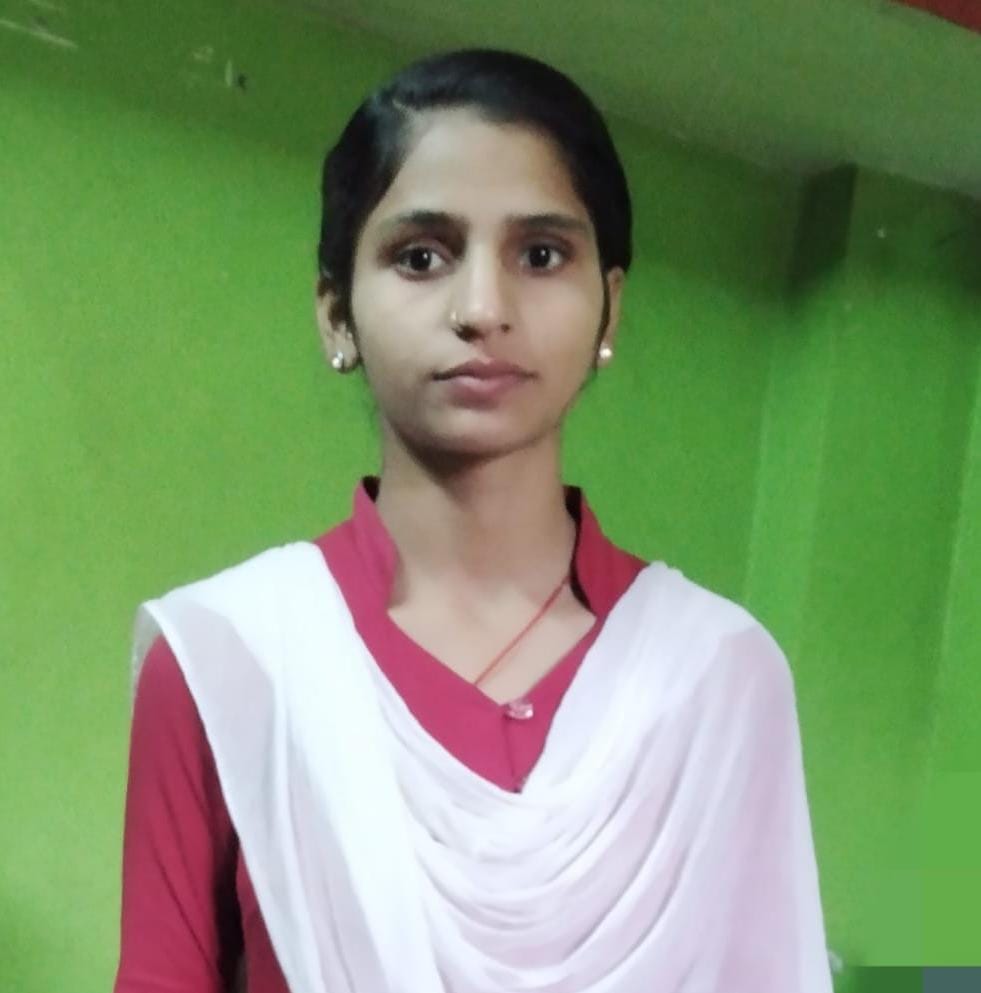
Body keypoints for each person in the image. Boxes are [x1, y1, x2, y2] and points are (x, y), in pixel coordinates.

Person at [113, 48, 832, 993]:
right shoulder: (234, 657)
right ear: (336, 313)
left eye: (541, 255)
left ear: (610, 307)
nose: (483, 308)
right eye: (421, 256)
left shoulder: (716, 676)